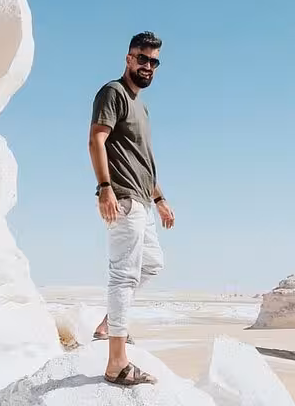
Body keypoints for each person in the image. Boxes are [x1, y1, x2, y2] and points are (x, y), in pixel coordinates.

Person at [88, 31, 175, 386]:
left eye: (154, 61)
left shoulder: (142, 105)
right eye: (142, 59)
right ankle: (116, 363)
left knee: (152, 264)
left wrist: (160, 198)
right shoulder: (114, 93)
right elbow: (96, 138)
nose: (148, 66)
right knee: (123, 274)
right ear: (128, 58)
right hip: (122, 196)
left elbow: (143, 160)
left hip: (143, 200)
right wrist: (104, 188)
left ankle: (109, 324)